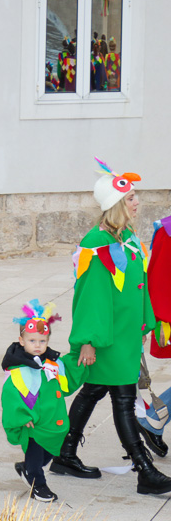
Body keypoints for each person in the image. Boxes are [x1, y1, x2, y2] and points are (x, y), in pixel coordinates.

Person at [49, 160, 171, 496]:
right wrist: (88, 340)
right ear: (115, 204)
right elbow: (90, 297)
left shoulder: (127, 237)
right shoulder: (96, 242)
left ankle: (65, 454)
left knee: (94, 390)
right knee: (123, 398)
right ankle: (144, 470)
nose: (137, 202)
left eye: (135, 196)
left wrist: (146, 322)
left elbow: (139, 284)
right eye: (130, 198)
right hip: (107, 338)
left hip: (125, 335)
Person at [0, 301, 80, 503]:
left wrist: (80, 361)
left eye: (42, 341)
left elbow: (66, 383)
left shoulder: (52, 362)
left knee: (50, 450)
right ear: (21, 341)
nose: (37, 345)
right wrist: (22, 416)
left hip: (51, 418)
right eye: (32, 340)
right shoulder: (18, 369)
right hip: (32, 420)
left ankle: (27, 467)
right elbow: (10, 394)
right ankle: (38, 484)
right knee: (35, 452)